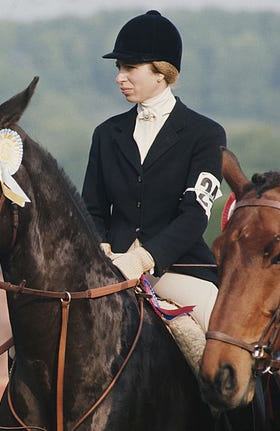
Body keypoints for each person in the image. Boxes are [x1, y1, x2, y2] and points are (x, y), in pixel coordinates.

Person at [82, 10, 225, 332]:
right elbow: (91, 209)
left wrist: (144, 259)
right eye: (119, 68)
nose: (119, 76)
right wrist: (102, 247)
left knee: (221, 340)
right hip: (110, 267)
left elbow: (194, 215)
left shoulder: (205, 134)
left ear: (161, 72)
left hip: (178, 269)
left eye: (129, 68)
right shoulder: (106, 133)